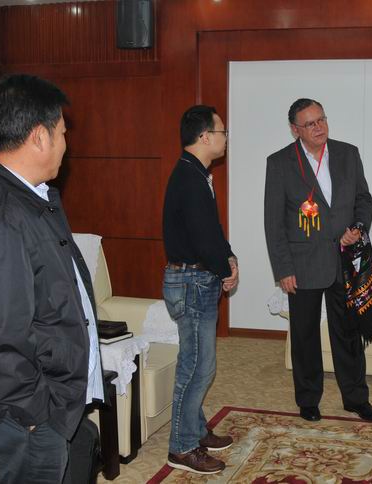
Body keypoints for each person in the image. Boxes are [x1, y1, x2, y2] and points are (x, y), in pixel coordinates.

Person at [0, 74, 104, 483]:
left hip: (43, 405)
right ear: (39, 136)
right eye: (62, 133)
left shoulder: (31, 197)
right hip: (25, 416)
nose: (66, 145)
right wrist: (38, 414)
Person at [264, 98, 372, 423]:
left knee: (348, 333)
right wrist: (283, 268)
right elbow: (273, 222)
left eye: (322, 120)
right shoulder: (280, 162)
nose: (319, 127)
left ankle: (356, 399)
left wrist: (358, 227)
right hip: (302, 263)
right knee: (304, 335)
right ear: (295, 130)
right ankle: (308, 399)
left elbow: (364, 199)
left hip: (344, 260)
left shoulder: (347, 153)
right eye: (310, 124)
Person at [162, 105, 238, 474]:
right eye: (222, 132)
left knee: (201, 364)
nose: (226, 138)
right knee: (195, 368)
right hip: (192, 282)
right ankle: (181, 448)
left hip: (197, 279)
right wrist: (225, 270)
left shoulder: (195, 173)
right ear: (205, 137)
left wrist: (229, 257)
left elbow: (212, 230)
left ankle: (195, 430)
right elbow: (203, 238)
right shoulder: (190, 178)